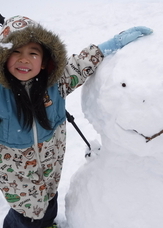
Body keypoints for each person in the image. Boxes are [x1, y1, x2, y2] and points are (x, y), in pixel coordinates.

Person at [0, 15, 152, 228]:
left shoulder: (56, 82)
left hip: (50, 167)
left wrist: (116, 43)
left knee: (50, 200)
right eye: (15, 51)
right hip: (17, 180)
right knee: (26, 215)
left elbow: (83, 62)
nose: (23, 59)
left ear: (44, 62)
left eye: (32, 53)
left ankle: (47, 222)